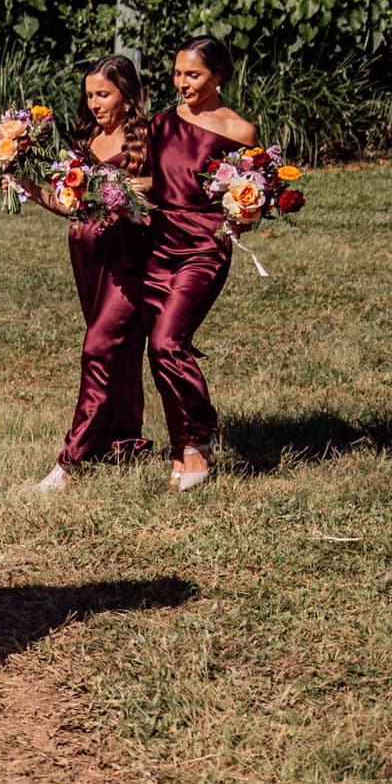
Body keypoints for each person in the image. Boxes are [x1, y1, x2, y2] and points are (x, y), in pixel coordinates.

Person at [31, 56, 156, 490]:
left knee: (98, 348)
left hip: (127, 263)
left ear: (127, 95)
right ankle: (122, 443)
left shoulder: (145, 139)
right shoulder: (86, 141)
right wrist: (30, 189)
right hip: (88, 259)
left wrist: (122, 190)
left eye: (103, 94)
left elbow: (159, 191)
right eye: (89, 95)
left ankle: (72, 458)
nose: (95, 103)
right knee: (116, 355)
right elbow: (70, 206)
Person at [143, 36, 257, 491]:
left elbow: (250, 202)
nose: (182, 83)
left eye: (193, 75)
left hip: (203, 246)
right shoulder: (161, 123)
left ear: (218, 77)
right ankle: (183, 447)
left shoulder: (239, 132)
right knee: (160, 349)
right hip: (157, 243)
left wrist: (245, 214)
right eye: (177, 73)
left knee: (168, 341)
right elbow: (151, 181)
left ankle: (202, 431)